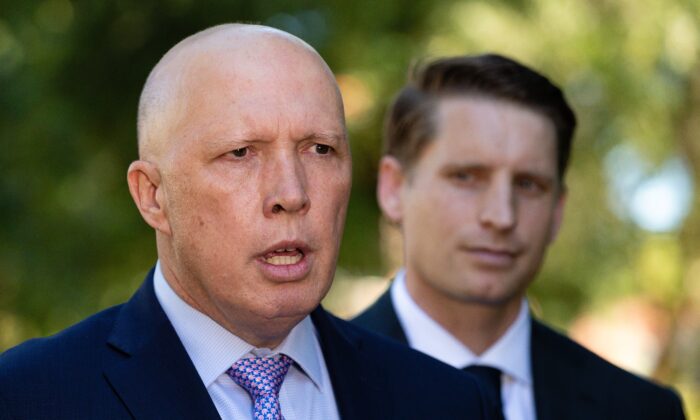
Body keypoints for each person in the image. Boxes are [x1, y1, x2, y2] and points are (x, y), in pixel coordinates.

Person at [0, 25, 498, 420]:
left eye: (320, 149)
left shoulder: (444, 401)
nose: (292, 194)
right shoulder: (30, 397)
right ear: (153, 196)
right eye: (241, 153)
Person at [353, 54, 686, 420]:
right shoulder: (308, 390)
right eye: (466, 177)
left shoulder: (641, 410)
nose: (501, 216)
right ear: (394, 189)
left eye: (528, 185)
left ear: (557, 210)